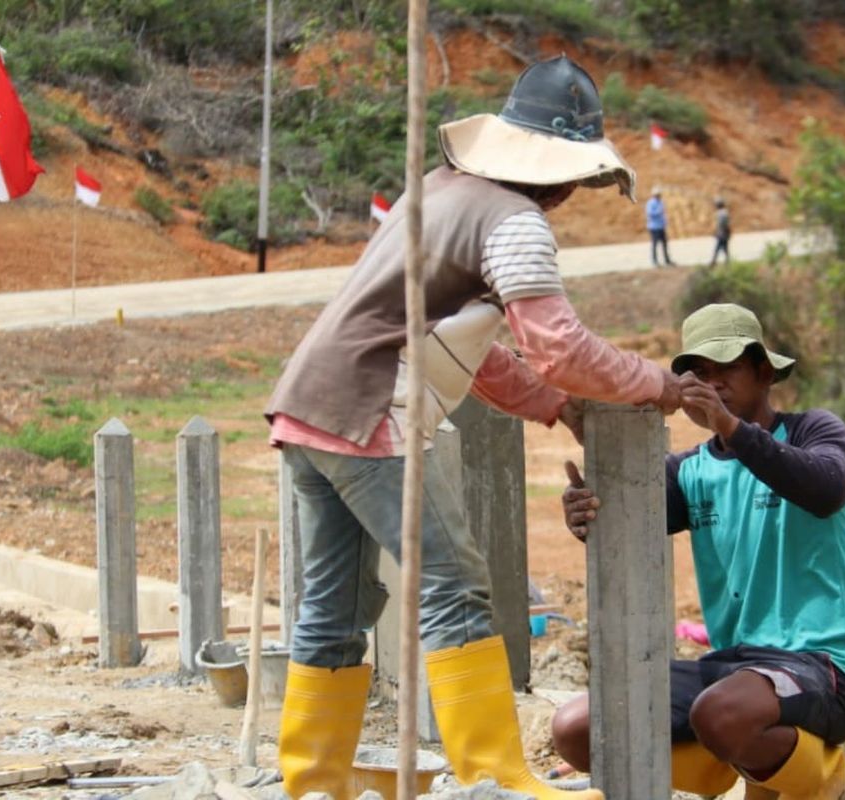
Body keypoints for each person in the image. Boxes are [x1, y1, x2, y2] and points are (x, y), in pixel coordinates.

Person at [265, 55, 681, 800]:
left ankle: (314, 778)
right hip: (371, 411)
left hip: (309, 405)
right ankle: (493, 775)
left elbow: (473, 349)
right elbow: (558, 346)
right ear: (561, 172)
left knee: (337, 603)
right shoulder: (515, 220)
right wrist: (655, 384)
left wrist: (558, 408)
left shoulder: (439, 191)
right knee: (454, 584)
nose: (572, 195)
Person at [552, 303, 845, 799]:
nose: (712, 383)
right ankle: (724, 762)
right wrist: (586, 511)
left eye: (725, 368)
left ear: (764, 372)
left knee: (721, 712)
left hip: (822, 666)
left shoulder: (814, 431)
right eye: (699, 373)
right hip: (737, 668)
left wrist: (731, 429)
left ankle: (816, 774)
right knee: (576, 727)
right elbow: (627, 525)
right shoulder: (689, 471)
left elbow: (827, 489)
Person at [646, 185, 673, 267]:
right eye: (657, 194)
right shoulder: (650, 203)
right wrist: (659, 211)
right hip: (654, 227)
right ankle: (655, 261)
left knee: (665, 244)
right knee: (655, 244)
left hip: (661, 226)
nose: (659, 195)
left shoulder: (660, 202)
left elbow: (663, 214)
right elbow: (650, 213)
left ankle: (667, 260)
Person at [710, 197, 731, 265]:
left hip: (722, 233)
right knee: (724, 247)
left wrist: (717, 232)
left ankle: (714, 261)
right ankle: (727, 261)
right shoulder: (724, 212)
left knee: (719, 247)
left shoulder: (721, 213)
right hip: (723, 232)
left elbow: (722, 224)